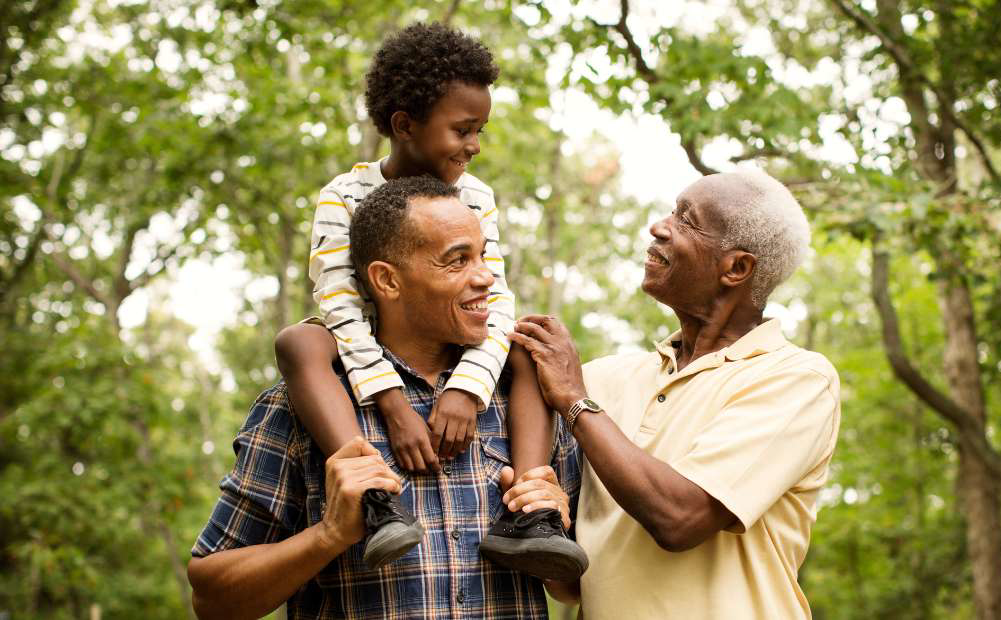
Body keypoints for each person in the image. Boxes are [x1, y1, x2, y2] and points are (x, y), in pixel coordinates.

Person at [188, 176, 581, 619]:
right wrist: (329, 535)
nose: (486, 278)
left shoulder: (528, 400)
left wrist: (558, 518)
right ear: (387, 281)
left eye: (483, 257)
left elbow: (571, 588)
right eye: (457, 261)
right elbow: (211, 599)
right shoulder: (301, 405)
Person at [272, 22, 585, 576]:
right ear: (404, 125)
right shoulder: (344, 196)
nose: (474, 145)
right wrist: (391, 403)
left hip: (456, 345)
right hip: (367, 346)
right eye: (463, 129)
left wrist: (467, 389)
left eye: (480, 129)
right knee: (300, 341)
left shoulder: (475, 195)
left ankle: (529, 513)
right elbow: (340, 304)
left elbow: (495, 298)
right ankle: (373, 500)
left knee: (527, 342)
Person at [511, 169, 842, 619]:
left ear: (737, 268)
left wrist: (573, 399)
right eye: (672, 210)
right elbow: (570, 584)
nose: (660, 226)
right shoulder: (605, 379)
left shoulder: (797, 380)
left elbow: (680, 519)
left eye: (687, 220)